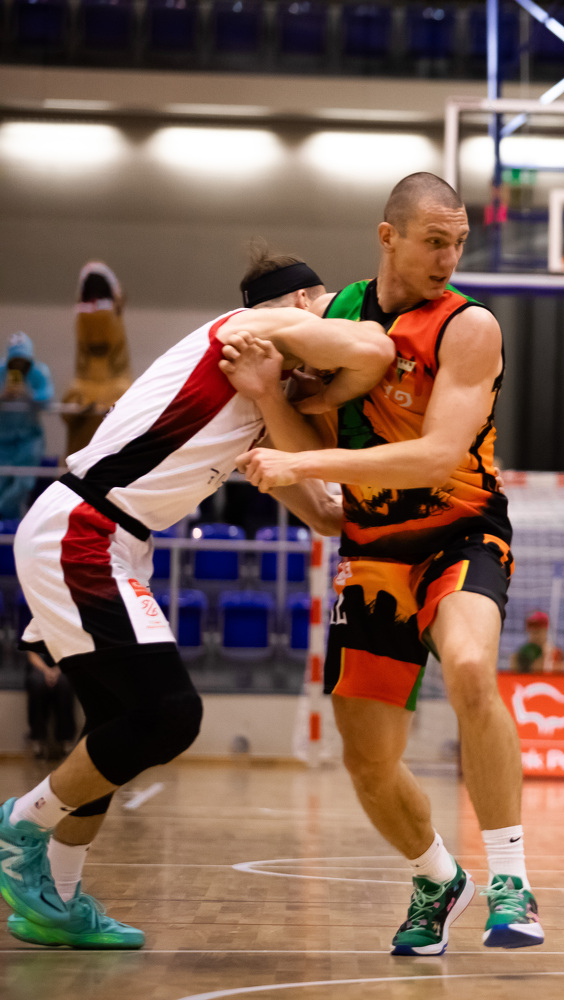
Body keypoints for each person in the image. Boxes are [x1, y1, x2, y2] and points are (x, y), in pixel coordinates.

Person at [0, 250, 389, 951]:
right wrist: (327, 364)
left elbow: (325, 517)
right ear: (301, 303)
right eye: (325, 301)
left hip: (109, 539)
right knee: (170, 714)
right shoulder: (244, 327)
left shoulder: (257, 388)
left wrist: (276, 399)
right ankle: (20, 825)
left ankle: (56, 898)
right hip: (83, 529)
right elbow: (373, 352)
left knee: (116, 725)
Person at [234, 172, 542, 956]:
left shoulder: (469, 326)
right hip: (371, 546)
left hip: (459, 531)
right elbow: (308, 441)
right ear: (388, 237)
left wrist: (302, 466)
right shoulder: (336, 319)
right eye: (434, 242)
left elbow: (437, 455)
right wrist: (270, 401)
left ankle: (510, 878)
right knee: (368, 760)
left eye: (458, 243)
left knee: (469, 665)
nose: (448, 258)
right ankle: (438, 878)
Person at [61, 262, 134, 457]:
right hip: (78, 459)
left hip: (112, 464)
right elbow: (67, 415)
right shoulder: (77, 388)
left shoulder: (124, 390)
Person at [0, 332, 54, 517]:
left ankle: (8, 515)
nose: (18, 366)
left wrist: (29, 394)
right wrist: (3, 396)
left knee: (23, 484)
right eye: (14, 362)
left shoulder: (39, 373)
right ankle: (7, 522)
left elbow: (47, 399)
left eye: (22, 362)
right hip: (2, 439)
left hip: (28, 439)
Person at [23, 651, 75, 760]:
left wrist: (57, 670)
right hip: (39, 668)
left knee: (64, 685)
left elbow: (71, 653)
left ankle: (66, 739)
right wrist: (46, 670)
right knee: (37, 684)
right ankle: (37, 738)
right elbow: (32, 654)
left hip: (63, 667)